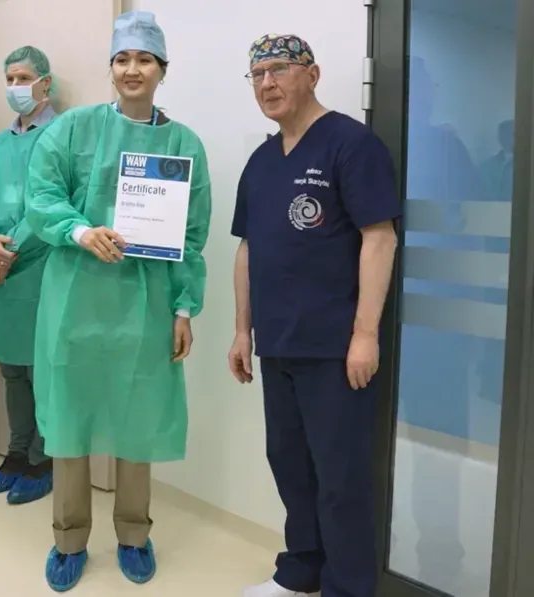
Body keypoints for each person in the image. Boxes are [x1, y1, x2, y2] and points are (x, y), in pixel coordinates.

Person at [26, 11, 212, 592]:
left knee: (138, 419)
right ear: (111, 68)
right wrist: (81, 231)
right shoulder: (74, 129)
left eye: (145, 60)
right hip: (75, 300)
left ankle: (134, 534)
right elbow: (42, 196)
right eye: (123, 59)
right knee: (70, 422)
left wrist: (183, 308)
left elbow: (191, 236)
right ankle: (68, 539)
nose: (133, 69)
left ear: (162, 70)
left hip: (146, 304)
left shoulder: (182, 144)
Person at [229, 35, 398, 597]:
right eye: (257, 74)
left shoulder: (351, 144)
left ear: (313, 74)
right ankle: (301, 570)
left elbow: (380, 238)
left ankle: (348, 587)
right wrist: (242, 329)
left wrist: (365, 334)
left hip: (334, 347)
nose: (267, 83)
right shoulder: (261, 161)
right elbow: (248, 248)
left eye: (279, 69)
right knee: (290, 464)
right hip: (277, 343)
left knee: (341, 478)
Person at [0, 46, 58, 505]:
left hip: (40, 268)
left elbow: (52, 204)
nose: (15, 87)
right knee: (11, 371)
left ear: (46, 83)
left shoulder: (61, 136)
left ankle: (43, 459)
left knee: (40, 370)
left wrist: (15, 248)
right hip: (1, 265)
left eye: (23, 78)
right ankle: (16, 452)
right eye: (9, 79)